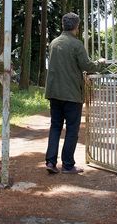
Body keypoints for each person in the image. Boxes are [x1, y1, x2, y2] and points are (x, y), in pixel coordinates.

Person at [44, 12, 105, 174]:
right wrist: (100, 63)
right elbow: (87, 66)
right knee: (72, 129)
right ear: (77, 27)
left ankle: (50, 162)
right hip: (71, 95)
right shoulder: (77, 45)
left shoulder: (54, 43)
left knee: (55, 127)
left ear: (63, 25)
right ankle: (68, 165)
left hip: (54, 93)